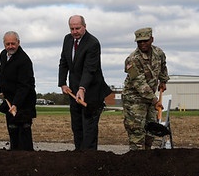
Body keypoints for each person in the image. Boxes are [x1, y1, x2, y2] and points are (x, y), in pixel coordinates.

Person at [57, 15, 112, 150]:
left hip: (92, 91)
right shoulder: (67, 39)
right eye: (72, 28)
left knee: (89, 128)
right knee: (77, 126)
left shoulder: (93, 43)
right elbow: (64, 61)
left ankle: (89, 159)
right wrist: (63, 83)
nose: (74, 31)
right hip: (74, 91)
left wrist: (82, 88)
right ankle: (79, 156)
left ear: (84, 26)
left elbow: (89, 69)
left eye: (77, 28)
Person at [122, 27, 169, 150]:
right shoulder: (132, 59)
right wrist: (155, 101)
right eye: (139, 42)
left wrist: (163, 80)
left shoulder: (159, 53)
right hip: (134, 99)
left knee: (151, 129)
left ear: (152, 39)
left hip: (151, 98)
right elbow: (140, 84)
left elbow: (163, 66)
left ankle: (147, 159)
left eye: (145, 41)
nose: (142, 44)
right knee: (136, 131)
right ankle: (136, 161)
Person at [0, 31, 36, 151]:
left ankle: (27, 156)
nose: (10, 46)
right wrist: (2, 90)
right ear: (4, 44)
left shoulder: (24, 60)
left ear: (18, 43)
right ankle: (14, 155)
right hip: (10, 99)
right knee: (12, 128)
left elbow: (24, 86)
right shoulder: (3, 55)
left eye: (13, 43)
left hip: (24, 101)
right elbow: (1, 74)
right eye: (7, 44)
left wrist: (16, 104)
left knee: (24, 129)